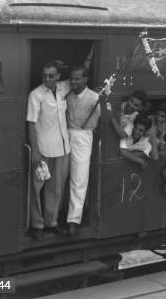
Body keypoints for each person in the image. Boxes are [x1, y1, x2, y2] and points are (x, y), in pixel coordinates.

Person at [27, 61, 72, 239]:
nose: (47, 78)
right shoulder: (35, 95)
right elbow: (31, 124)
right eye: (44, 75)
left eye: (51, 75)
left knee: (57, 188)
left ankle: (51, 223)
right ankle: (37, 225)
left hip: (62, 148)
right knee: (37, 188)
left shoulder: (63, 87)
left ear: (58, 76)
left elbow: (81, 71)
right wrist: (35, 151)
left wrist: (63, 64)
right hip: (43, 148)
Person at [65, 65, 101, 236]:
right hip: (64, 135)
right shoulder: (67, 94)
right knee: (60, 177)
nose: (73, 81)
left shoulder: (95, 98)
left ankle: (73, 220)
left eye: (77, 78)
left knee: (79, 179)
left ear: (85, 79)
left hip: (82, 137)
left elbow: (97, 120)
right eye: (72, 78)